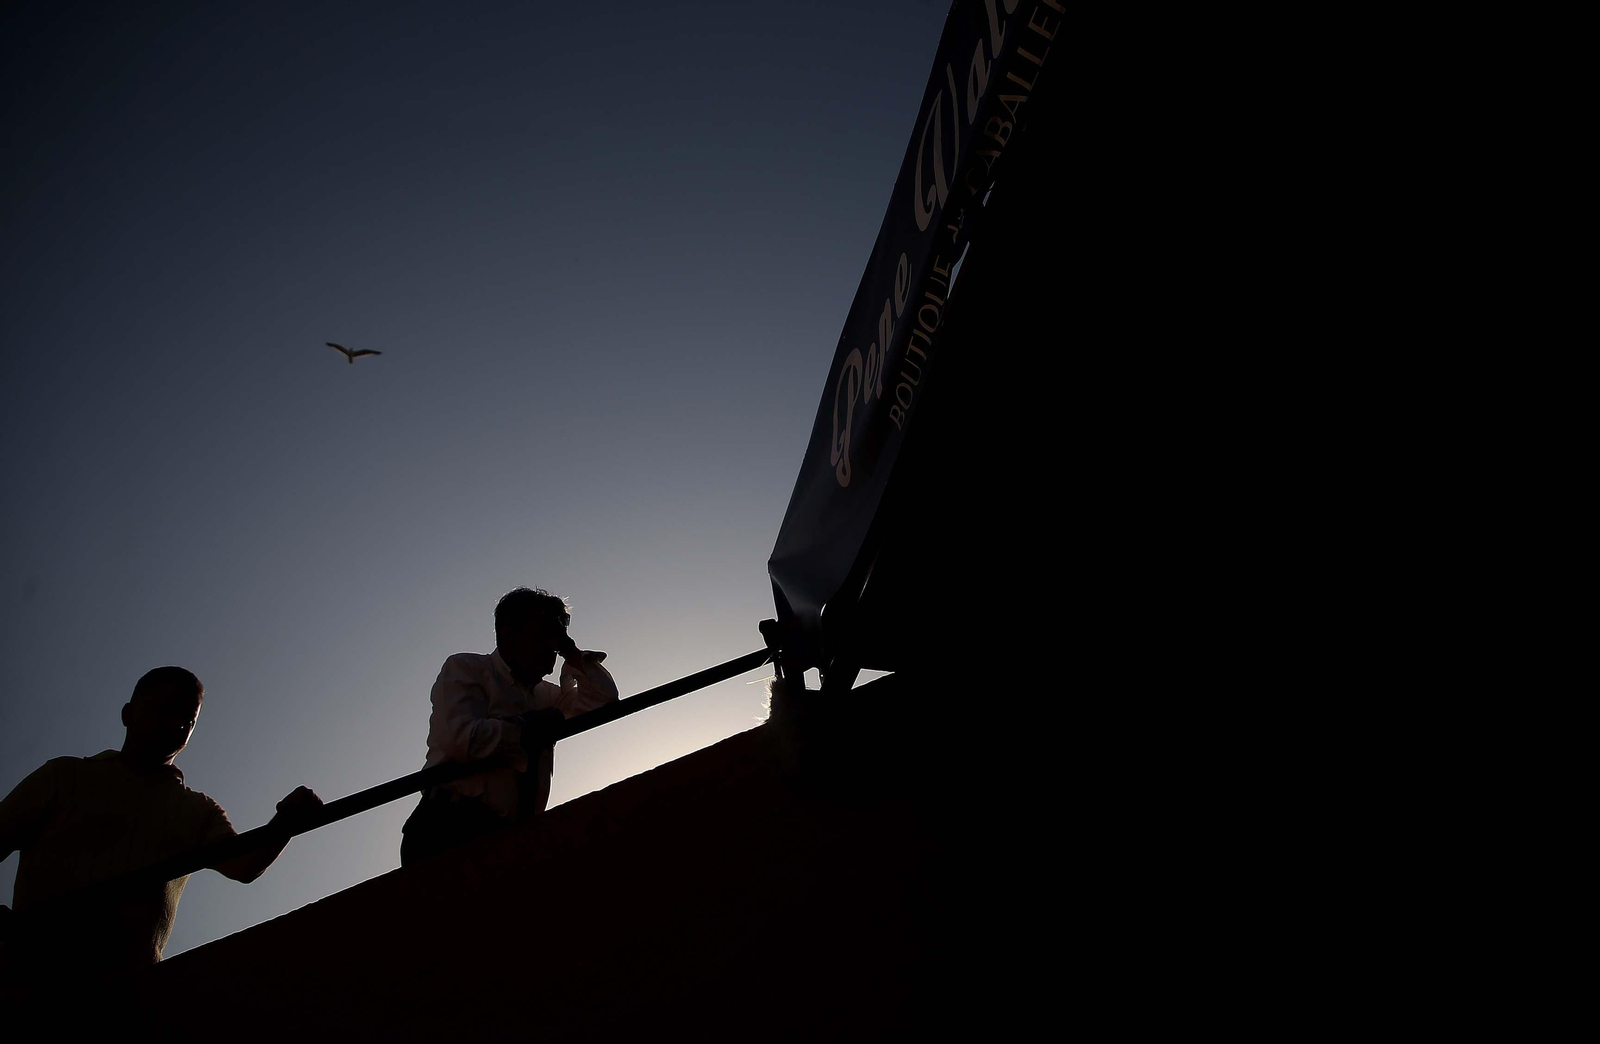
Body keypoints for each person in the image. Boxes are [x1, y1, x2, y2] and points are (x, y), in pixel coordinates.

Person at [0, 666, 324, 973]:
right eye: (162, 709)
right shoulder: (63, 776)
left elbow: (244, 864)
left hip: (132, 991)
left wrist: (286, 822)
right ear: (128, 714)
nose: (174, 724)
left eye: (187, 719)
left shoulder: (198, 810)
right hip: (31, 975)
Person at [401, 587, 618, 865]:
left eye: (555, 634)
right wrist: (526, 728)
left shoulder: (547, 696)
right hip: (448, 830)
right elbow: (461, 739)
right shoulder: (467, 668)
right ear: (509, 632)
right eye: (542, 631)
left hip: (513, 839)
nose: (550, 644)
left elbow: (604, 700)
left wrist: (570, 650)